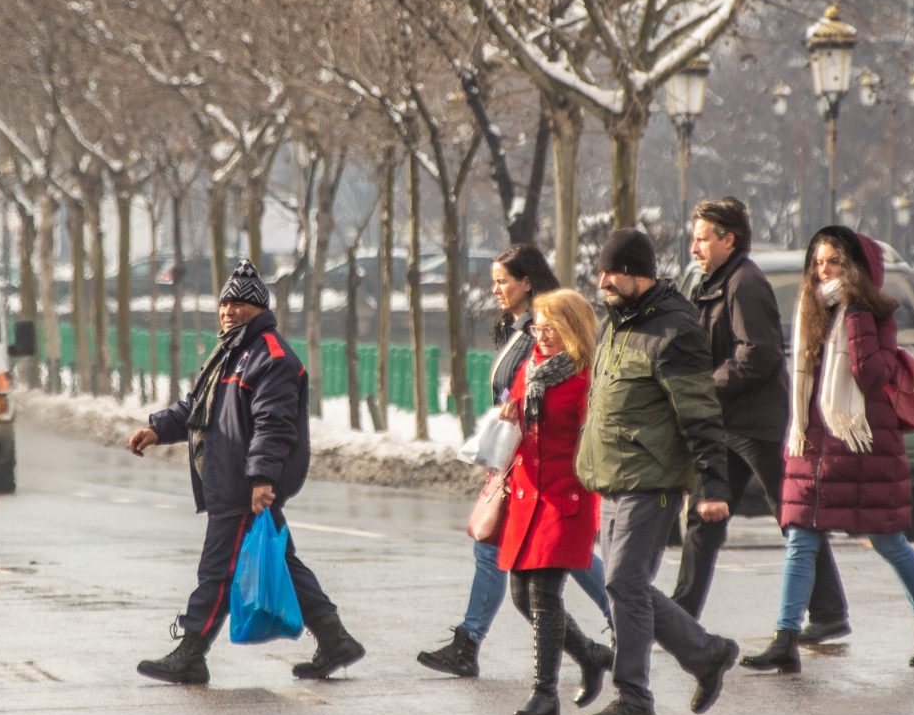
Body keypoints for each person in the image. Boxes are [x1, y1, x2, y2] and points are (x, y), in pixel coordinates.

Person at [128, 260, 369, 685]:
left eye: (240, 303)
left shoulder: (270, 357)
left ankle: (191, 653)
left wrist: (261, 479)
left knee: (218, 571)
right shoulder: (231, 352)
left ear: (260, 309)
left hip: (241, 484)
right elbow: (197, 408)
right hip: (229, 479)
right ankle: (335, 640)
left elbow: (273, 424)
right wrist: (157, 429)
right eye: (225, 303)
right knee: (281, 562)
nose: (229, 311)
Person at [757, 228, 914, 672]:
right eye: (818, 262)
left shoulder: (874, 312)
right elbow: (805, 383)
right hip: (813, 442)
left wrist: (857, 317)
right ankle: (785, 638)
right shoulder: (810, 310)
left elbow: (871, 375)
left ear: (856, 268)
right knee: (801, 538)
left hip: (862, 444)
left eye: (835, 262)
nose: (823, 271)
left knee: (888, 540)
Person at [574, 228, 743, 715]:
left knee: (624, 583)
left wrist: (712, 486)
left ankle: (634, 697)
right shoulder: (616, 324)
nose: (603, 281)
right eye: (601, 271)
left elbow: (700, 413)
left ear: (638, 273)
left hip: (651, 479)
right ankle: (706, 653)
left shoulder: (674, 331)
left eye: (612, 272)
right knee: (625, 587)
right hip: (613, 477)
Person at [421, 244, 611, 677]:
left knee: (529, 558)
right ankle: (609, 629)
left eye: (502, 281)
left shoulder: (541, 333)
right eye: (494, 281)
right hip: (516, 459)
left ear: (526, 282)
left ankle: (473, 644)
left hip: (539, 466)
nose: (495, 289)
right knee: (546, 561)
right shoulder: (518, 329)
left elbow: (552, 400)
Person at [670, 196, 850, 646]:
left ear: (728, 240)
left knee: (792, 515)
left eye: (702, 239)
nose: (694, 248)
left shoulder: (745, 283)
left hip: (757, 425)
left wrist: (706, 385)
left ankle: (829, 612)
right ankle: (679, 616)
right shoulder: (713, 281)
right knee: (705, 516)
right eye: (694, 239)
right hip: (726, 422)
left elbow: (759, 353)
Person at [497, 289, 612, 715]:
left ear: (573, 330)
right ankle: (590, 654)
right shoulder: (530, 370)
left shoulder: (587, 380)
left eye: (552, 328)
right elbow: (521, 422)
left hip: (565, 496)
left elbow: (597, 437)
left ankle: (544, 693)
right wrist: (510, 414)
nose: (542, 336)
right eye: (538, 327)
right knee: (520, 597)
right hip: (527, 495)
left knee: (544, 595)